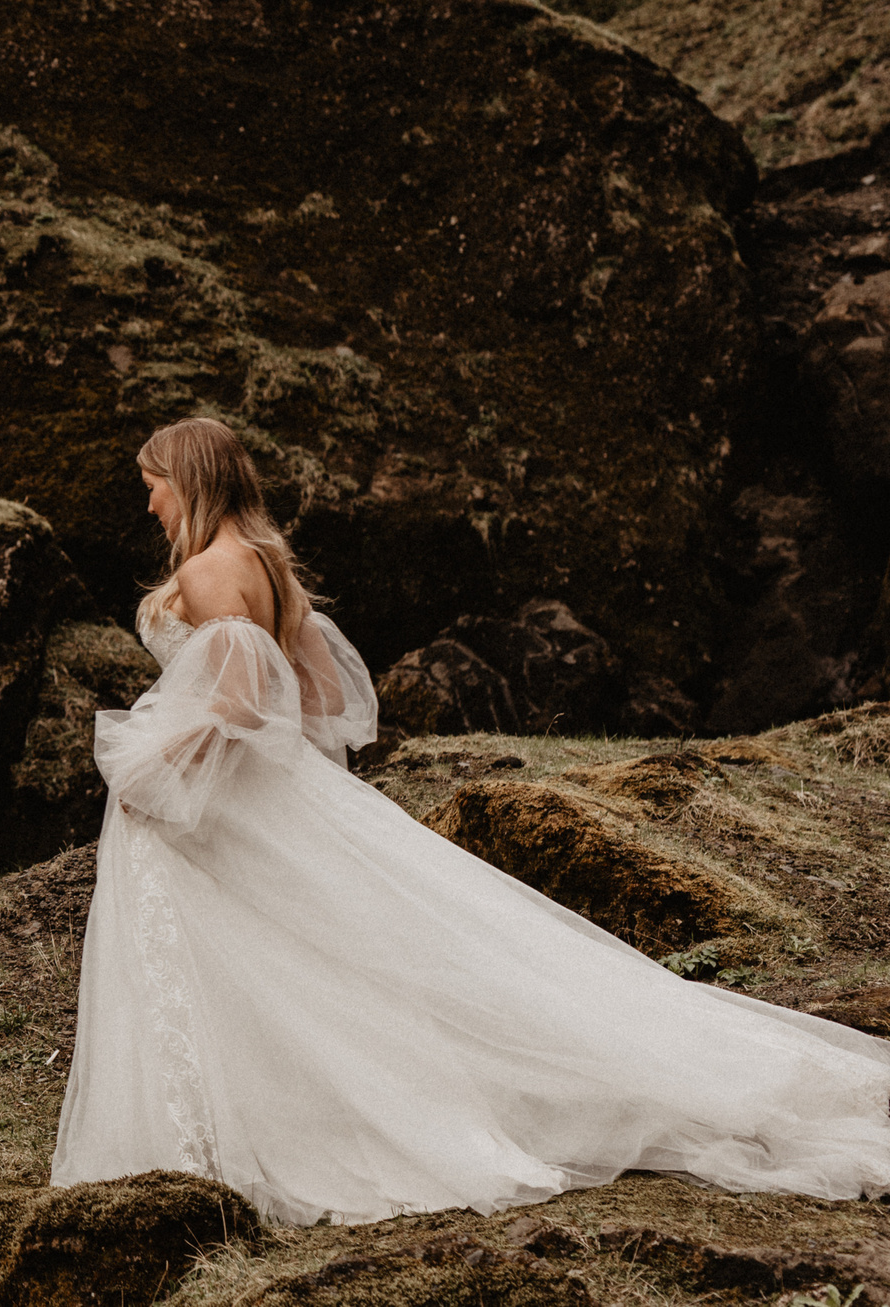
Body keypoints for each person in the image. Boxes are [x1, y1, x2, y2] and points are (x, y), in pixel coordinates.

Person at [52, 416, 890, 1225]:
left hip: (224, 802)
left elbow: (237, 699)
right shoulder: (268, 563)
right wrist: (289, 776)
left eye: (154, 485)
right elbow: (326, 697)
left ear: (188, 480)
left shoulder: (206, 571)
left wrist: (157, 764)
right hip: (268, 790)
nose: (150, 503)